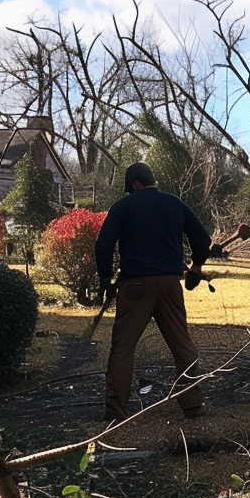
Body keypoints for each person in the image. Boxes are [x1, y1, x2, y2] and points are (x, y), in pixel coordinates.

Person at [95, 162, 212, 423]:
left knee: (123, 348)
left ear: (135, 183)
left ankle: (115, 413)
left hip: (135, 286)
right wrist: (197, 265)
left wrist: (105, 279)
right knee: (182, 345)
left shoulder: (123, 207)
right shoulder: (175, 204)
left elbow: (103, 245)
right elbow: (202, 240)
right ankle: (193, 405)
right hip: (170, 285)